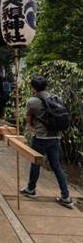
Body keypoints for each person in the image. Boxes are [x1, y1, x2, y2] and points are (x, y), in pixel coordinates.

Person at [20, 76, 74, 208]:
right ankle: (66, 196)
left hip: (40, 138)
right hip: (55, 138)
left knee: (35, 163)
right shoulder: (56, 98)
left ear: (33, 88)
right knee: (57, 167)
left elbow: (28, 118)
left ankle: (31, 189)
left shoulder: (32, 101)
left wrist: (34, 128)